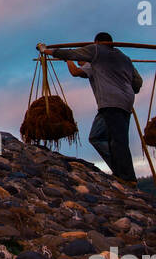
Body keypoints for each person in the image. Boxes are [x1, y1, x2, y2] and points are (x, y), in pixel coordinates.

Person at [36, 33, 142, 186]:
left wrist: (46, 51)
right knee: (97, 136)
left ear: (97, 42)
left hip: (111, 102)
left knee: (118, 140)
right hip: (124, 103)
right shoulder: (124, 58)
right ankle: (120, 171)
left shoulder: (97, 51)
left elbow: (72, 56)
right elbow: (137, 83)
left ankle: (127, 177)